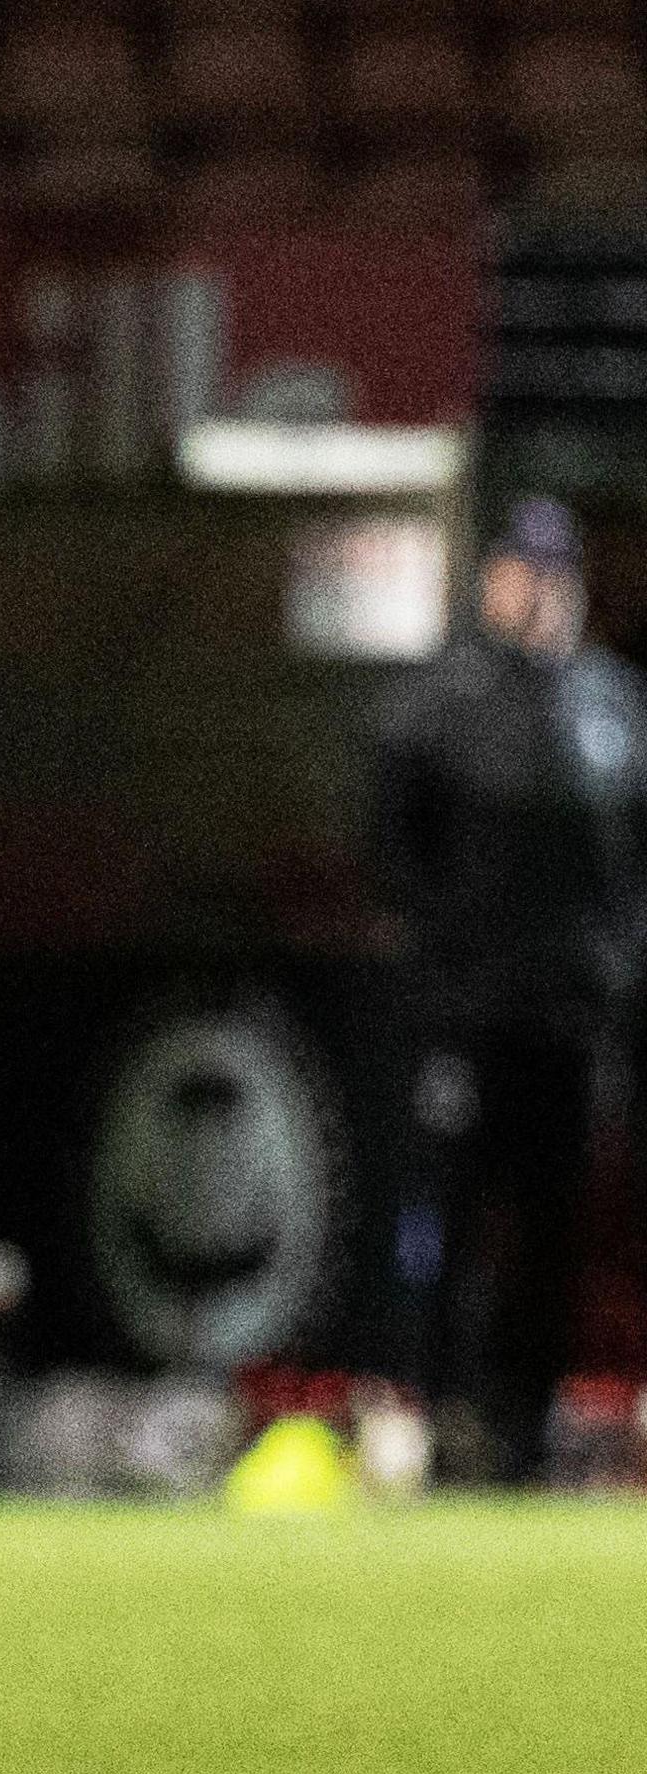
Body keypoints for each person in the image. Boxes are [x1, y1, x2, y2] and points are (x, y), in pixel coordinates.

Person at [371, 497, 646, 1479]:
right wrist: (444, 961)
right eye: (525, 571)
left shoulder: (611, 704)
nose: (541, 592)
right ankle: (432, 1410)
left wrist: (614, 971)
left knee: (551, 1226)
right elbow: (395, 852)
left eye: (555, 572)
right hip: (465, 1018)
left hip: (568, 1019)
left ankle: (525, 1423)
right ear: (492, 578)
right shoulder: (436, 706)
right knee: (445, 1211)